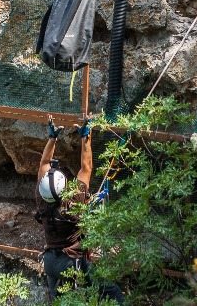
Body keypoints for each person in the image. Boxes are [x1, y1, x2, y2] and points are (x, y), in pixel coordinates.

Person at [35, 114, 125, 304]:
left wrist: (52, 139)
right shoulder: (73, 204)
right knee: (111, 290)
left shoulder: (41, 199)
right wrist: (86, 136)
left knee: (59, 300)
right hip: (73, 263)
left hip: (51, 262)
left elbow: (43, 164)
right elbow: (86, 168)